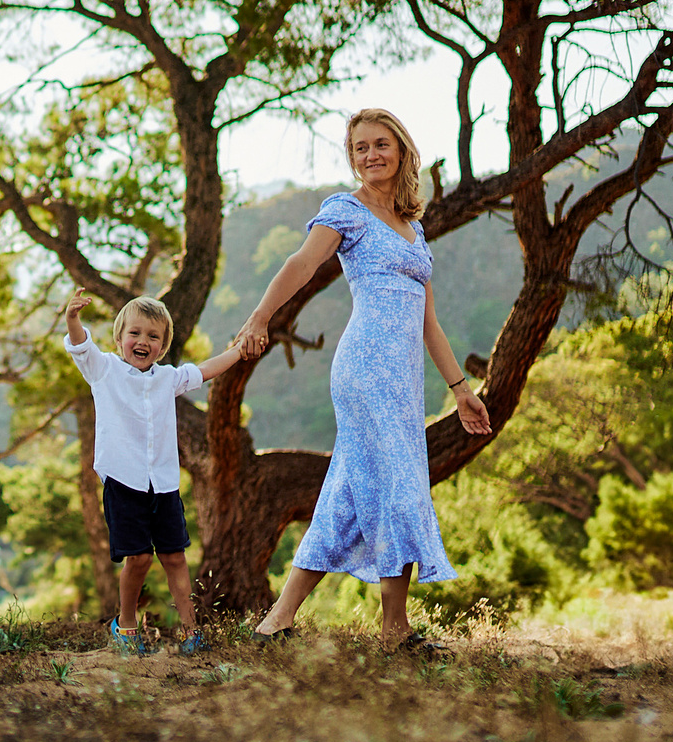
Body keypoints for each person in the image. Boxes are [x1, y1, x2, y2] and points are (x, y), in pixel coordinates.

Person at [234, 108, 493, 650]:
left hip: (404, 380)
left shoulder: (415, 231)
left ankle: (277, 619)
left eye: (380, 144)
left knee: (353, 493)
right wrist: (261, 316)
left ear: (401, 151)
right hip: (364, 368)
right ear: (352, 158)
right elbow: (302, 263)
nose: (371, 154)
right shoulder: (346, 210)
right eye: (360, 148)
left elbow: (429, 323)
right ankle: (394, 630)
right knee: (401, 484)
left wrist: (461, 390)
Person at [61, 290, 255, 655]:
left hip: (163, 484)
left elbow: (205, 370)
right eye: (134, 333)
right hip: (124, 483)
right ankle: (126, 627)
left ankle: (191, 633)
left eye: (153, 336)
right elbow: (81, 345)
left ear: (163, 347)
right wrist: (73, 318)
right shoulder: (104, 370)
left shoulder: (168, 378)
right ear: (119, 338)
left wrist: (238, 350)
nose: (142, 341)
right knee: (138, 558)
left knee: (175, 557)